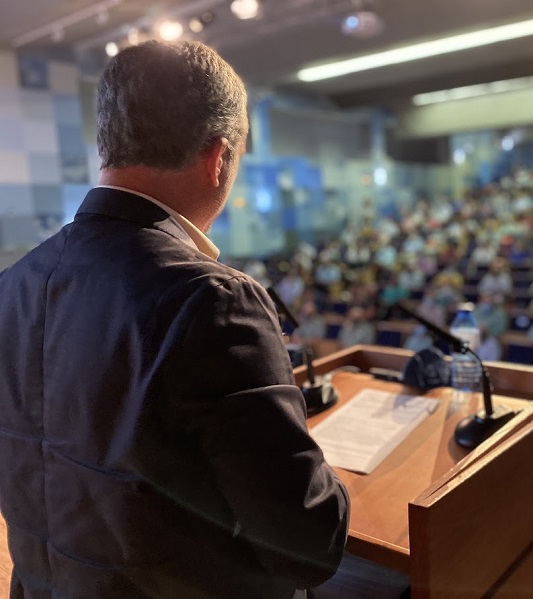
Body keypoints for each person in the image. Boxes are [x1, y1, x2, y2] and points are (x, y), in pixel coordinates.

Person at [0, 41, 349, 599]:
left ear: (105, 146)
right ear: (219, 158)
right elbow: (309, 544)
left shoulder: (12, 286)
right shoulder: (211, 298)